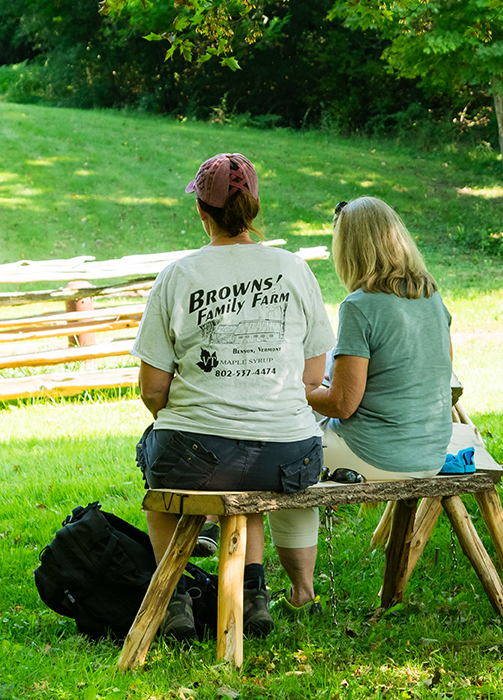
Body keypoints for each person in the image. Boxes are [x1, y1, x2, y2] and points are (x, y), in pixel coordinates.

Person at [131, 152, 332, 638]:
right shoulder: (295, 269)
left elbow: (152, 390)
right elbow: (311, 377)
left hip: (197, 454)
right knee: (250, 478)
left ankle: (175, 600)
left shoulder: (178, 276)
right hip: (291, 454)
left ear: (201, 211)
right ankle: (253, 593)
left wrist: (198, 400)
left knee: (159, 475)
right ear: (254, 208)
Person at [306, 196, 456, 485]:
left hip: (375, 455)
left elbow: (341, 405)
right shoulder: (431, 296)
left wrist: (300, 392)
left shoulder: (359, 305)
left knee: (282, 454)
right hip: (431, 454)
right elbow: (440, 373)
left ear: (350, 250)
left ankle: (219, 525)